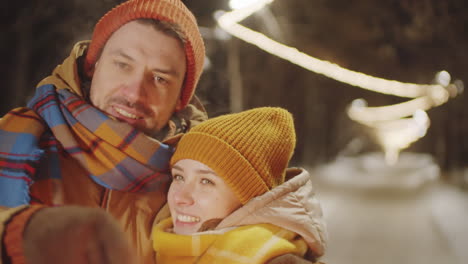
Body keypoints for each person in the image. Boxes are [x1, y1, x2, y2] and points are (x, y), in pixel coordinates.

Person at [0, 1, 324, 264]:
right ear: (93, 64)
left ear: (180, 98)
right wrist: (19, 232)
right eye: (122, 64)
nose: (134, 92)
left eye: (160, 79)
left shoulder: (196, 165)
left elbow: (254, 229)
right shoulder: (13, 142)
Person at [152, 107, 327, 263]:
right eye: (179, 177)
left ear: (249, 198)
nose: (180, 197)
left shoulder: (272, 259)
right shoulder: (155, 243)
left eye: (206, 181)